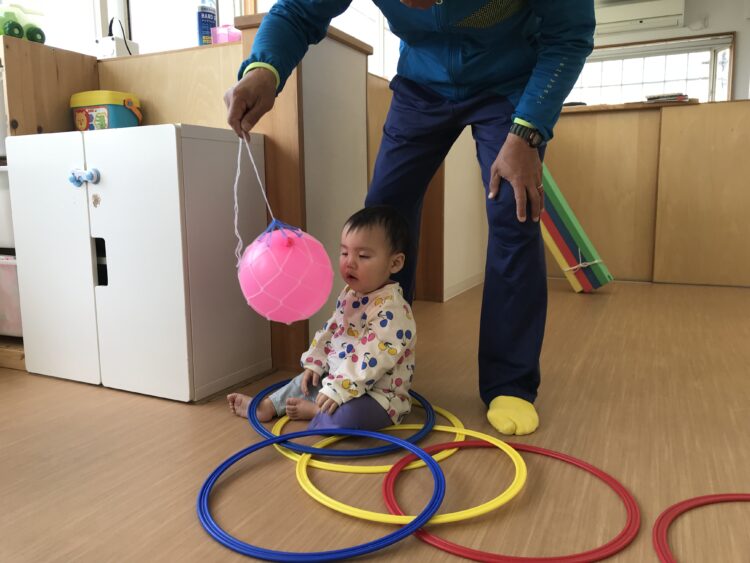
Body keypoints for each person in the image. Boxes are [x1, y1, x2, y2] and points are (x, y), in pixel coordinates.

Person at [225, 1, 596, 435]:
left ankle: (510, 383)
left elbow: (570, 35)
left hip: (510, 86)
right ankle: (371, 367)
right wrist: (264, 68)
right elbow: (296, 12)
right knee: (381, 221)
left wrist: (529, 130)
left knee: (514, 212)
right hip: (422, 84)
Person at [228, 205, 416, 430]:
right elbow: (332, 330)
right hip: (340, 379)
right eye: (344, 253)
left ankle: (317, 412)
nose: (350, 262)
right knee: (306, 381)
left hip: (379, 396)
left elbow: (371, 357)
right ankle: (268, 406)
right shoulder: (350, 294)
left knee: (349, 416)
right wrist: (316, 363)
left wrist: (339, 388)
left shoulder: (393, 310)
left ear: (395, 263)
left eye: (363, 256)